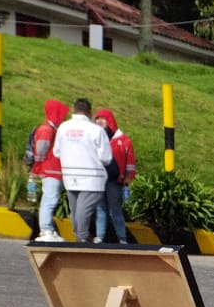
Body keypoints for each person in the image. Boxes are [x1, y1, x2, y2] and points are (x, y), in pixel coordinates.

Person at [53, 97, 113, 242]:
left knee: (76, 210)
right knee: (83, 209)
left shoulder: (63, 127)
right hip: (92, 177)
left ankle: (79, 236)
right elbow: (106, 157)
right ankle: (83, 237)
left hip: (70, 175)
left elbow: (56, 152)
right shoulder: (95, 130)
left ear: (74, 110)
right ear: (89, 112)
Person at [92, 108, 137, 245]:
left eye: (102, 118)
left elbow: (130, 160)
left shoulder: (123, 139)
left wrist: (129, 177)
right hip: (98, 179)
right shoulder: (95, 137)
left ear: (109, 120)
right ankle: (100, 236)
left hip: (115, 181)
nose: (99, 121)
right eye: (97, 118)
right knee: (100, 209)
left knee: (115, 208)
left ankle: (122, 238)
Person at [27, 99, 69, 243]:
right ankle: (45, 230)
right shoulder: (46, 130)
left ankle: (48, 229)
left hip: (52, 171)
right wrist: (38, 167)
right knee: (49, 200)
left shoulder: (52, 129)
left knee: (50, 199)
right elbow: (40, 151)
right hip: (50, 171)